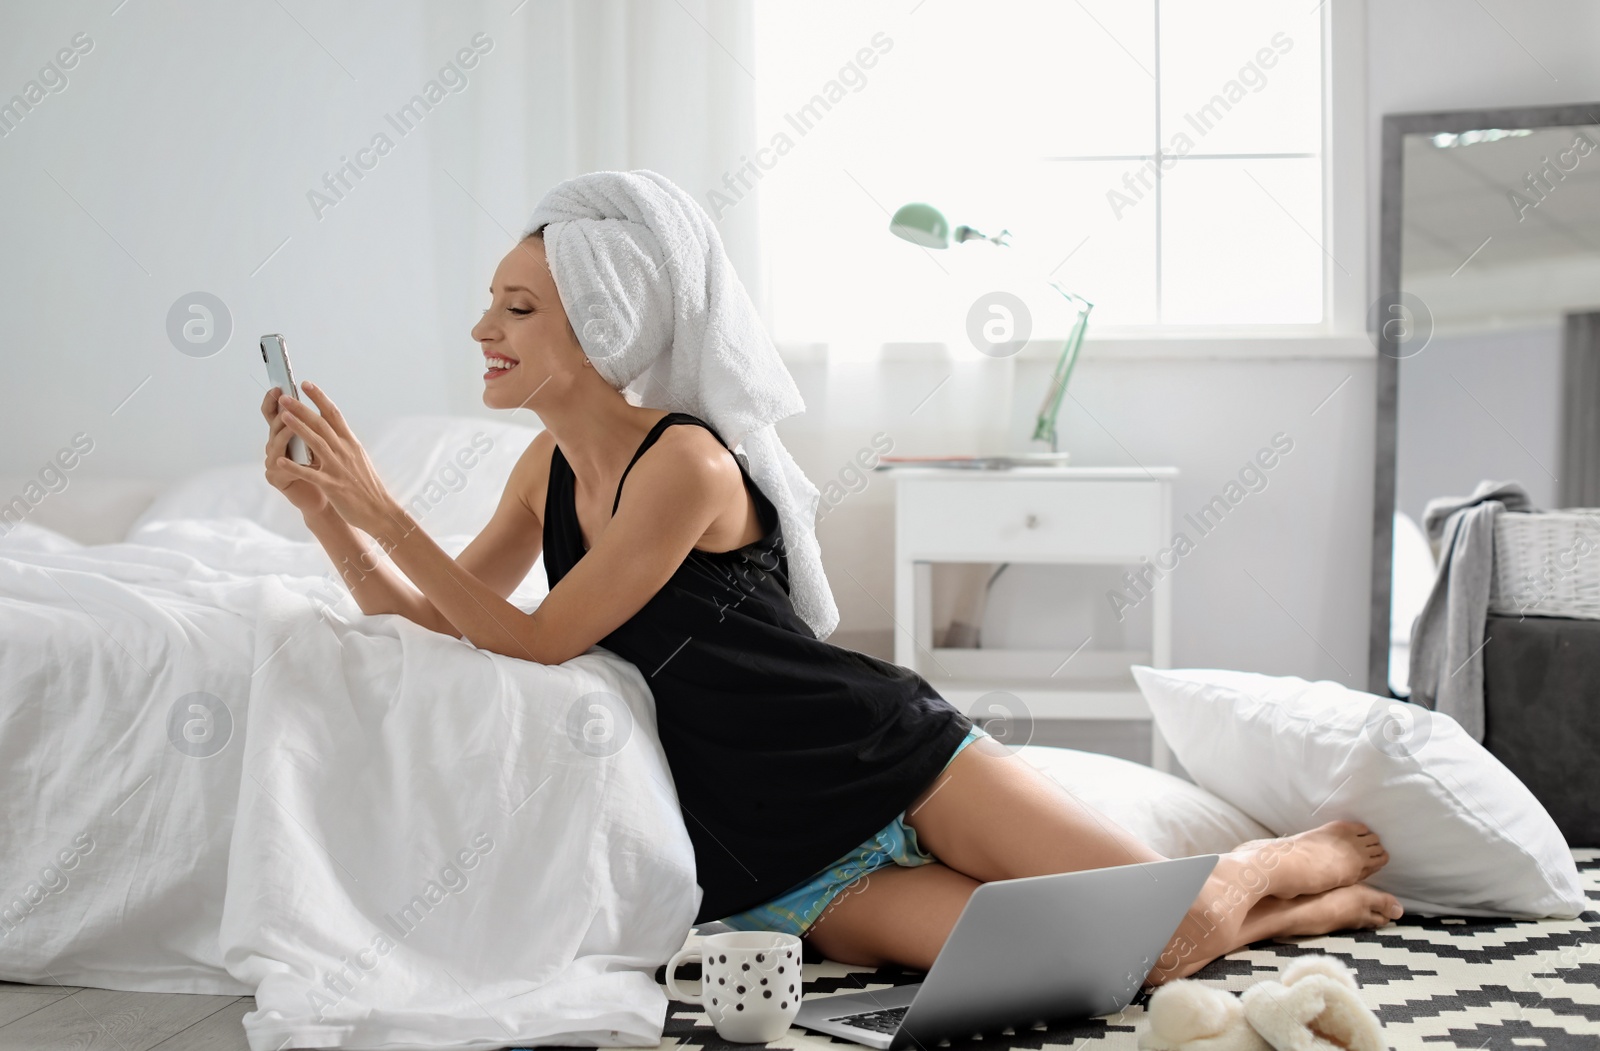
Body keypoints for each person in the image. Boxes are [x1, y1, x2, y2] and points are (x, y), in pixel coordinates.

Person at [260, 218, 1402, 993]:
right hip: (778, 854)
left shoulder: (688, 464)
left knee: (1152, 929)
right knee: (1115, 965)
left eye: (516, 307)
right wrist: (330, 510)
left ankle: (1270, 863)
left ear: (601, 329)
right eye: (491, 304)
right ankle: (1279, 910)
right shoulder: (539, 473)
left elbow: (544, 635)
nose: (482, 330)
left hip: (888, 753)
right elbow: (452, 623)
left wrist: (378, 499)